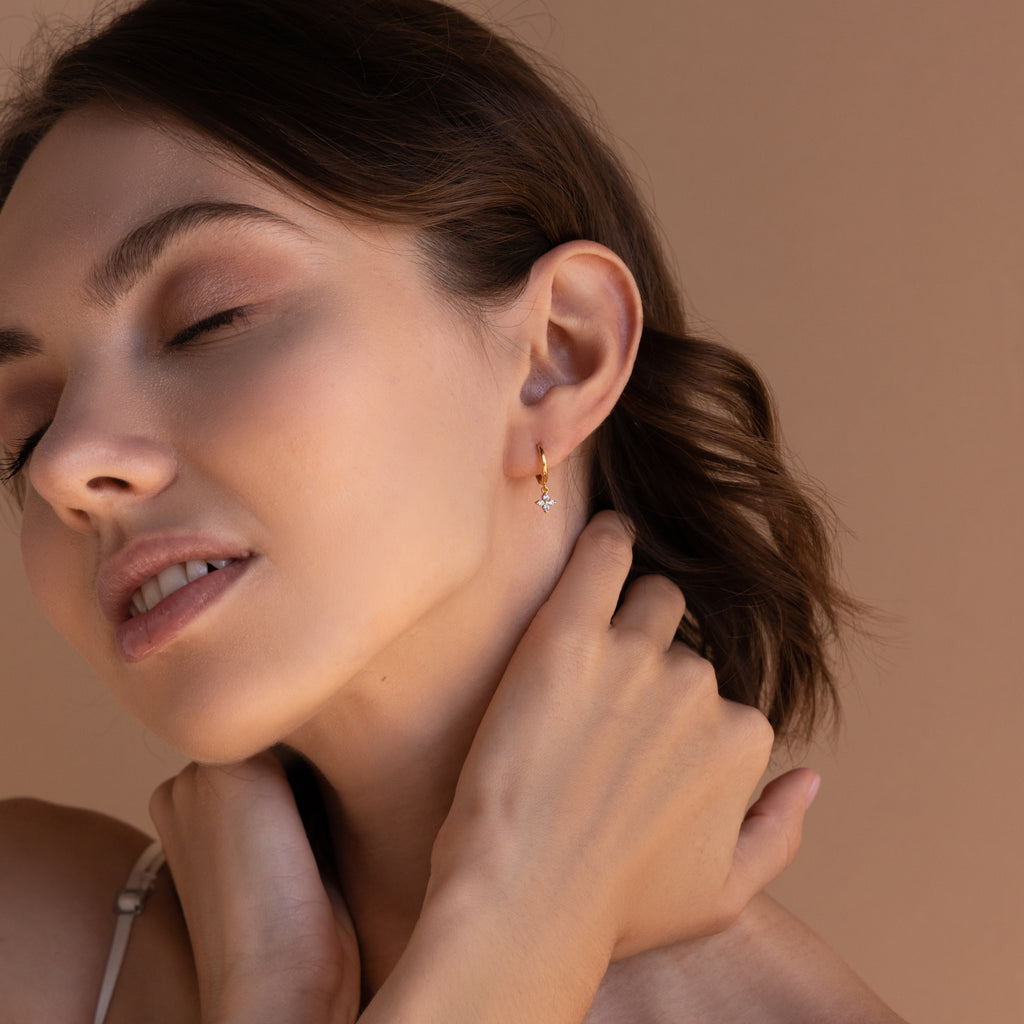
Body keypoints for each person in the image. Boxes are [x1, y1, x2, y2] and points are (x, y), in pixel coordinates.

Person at [0, 0, 906, 1020]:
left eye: (209, 320)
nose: (66, 464)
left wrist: (514, 921)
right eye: (26, 431)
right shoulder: (34, 934)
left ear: (558, 354)